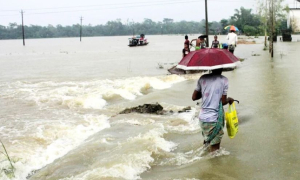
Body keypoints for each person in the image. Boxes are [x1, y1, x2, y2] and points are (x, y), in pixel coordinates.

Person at [192, 68, 234, 152]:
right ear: (222, 67)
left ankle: (204, 163)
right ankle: (214, 165)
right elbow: (222, 101)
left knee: (207, 142)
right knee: (214, 152)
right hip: (214, 119)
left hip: (202, 119)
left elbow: (194, 97)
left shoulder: (203, 78)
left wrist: (206, 91)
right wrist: (229, 99)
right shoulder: (224, 80)